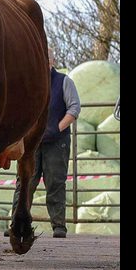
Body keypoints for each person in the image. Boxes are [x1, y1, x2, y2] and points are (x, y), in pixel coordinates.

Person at [7, 50, 81, 238]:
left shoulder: (64, 82)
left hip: (56, 142)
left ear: (51, 61)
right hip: (31, 141)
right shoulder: (28, 83)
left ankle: (59, 225)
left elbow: (74, 108)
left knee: (55, 181)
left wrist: (57, 128)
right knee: (24, 182)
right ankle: (16, 222)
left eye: (45, 59)